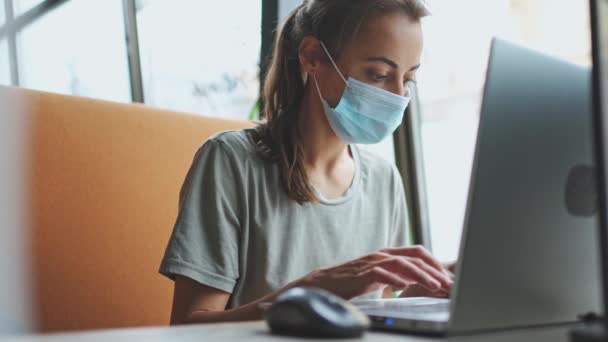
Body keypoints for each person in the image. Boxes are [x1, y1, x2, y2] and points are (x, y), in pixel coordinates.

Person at [159, 0, 454, 325]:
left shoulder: (384, 180)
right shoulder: (230, 162)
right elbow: (188, 326)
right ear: (312, 56)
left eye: (408, 80)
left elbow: (375, 316)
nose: (398, 96)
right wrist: (314, 288)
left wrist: (438, 288)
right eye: (379, 75)